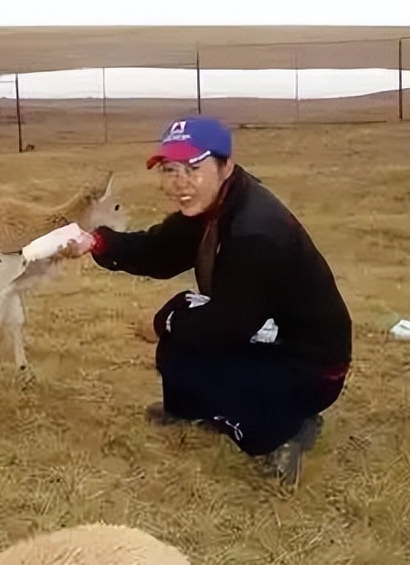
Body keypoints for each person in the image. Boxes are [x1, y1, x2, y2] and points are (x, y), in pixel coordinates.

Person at [66, 114, 352, 485]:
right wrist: (98, 242)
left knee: (211, 367)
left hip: (311, 366)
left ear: (225, 165)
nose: (179, 183)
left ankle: (292, 428)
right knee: (177, 353)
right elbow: (160, 250)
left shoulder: (256, 230)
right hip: (264, 335)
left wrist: (165, 320)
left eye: (193, 168)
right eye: (170, 170)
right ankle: (214, 406)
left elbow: (228, 326)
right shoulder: (216, 206)